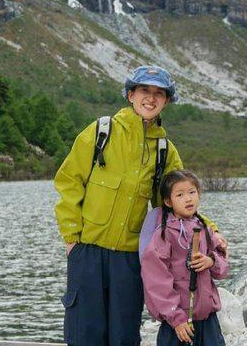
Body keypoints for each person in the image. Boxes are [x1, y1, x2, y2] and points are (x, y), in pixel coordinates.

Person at [54, 65, 224, 346]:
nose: (151, 98)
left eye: (159, 93)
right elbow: (69, 182)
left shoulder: (164, 151)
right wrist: (72, 239)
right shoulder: (101, 132)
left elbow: (180, 202)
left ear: (166, 102)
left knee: (124, 336)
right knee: (84, 334)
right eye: (144, 90)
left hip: (129, 259)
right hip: (87, 251)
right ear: (131, 94)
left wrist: (212, 232)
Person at [140, 169, 229, 346]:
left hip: (207, 318)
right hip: (179, 323)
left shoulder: (205, 228)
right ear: (168, 201)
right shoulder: (164, 235)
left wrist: (211, 261)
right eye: (180, 195)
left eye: (192, 192)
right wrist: (176, 317)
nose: (188, 198)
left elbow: (223, 268)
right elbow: (156, 281)